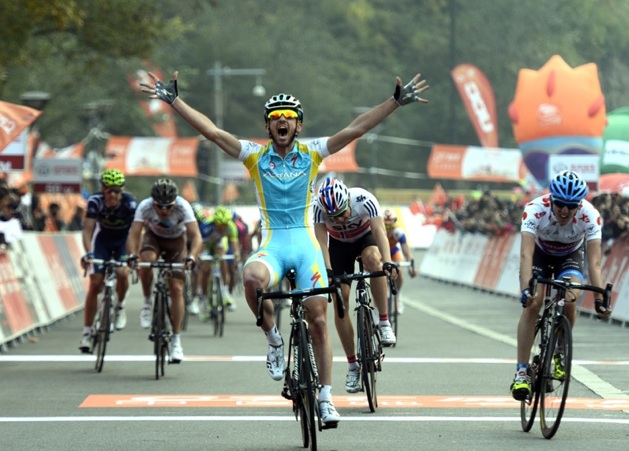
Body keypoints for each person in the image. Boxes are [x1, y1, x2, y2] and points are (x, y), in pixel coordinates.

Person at [141, 69, 428, 426]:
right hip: (273, 245)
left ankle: (326, 398)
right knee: (250, 278)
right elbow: (212, 132)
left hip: (306, 246)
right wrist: (174, 101)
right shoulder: (254, 155)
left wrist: (394, 103)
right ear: (267, 126)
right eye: (275, 117)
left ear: (298, 125)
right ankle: (274, 339)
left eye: (289, 117)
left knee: (318, 320)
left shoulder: (312, 153)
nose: (282, 121)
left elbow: (355, 129)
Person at [511, 170, 612, 401]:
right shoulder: (535, 209)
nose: (565, 211)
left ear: (579, 204)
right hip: (539, 256)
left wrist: (600, 301)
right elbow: (526, 255)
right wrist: (525, 290)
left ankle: (559, 352)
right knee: (533, 303)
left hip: (570, 257)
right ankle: (521, 372)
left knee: (570, 297)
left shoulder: (590, 215)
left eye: (571, 205)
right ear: (551, 199)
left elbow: (595, 264)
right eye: (560, 204)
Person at [313, 177, 398, 394]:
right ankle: (352, 366)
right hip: (339, 246)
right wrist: (328, 271)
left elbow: (379, 232)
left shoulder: (364, 199)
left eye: (342, 213)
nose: (340, 220)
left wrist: (388, 262)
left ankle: (384, 321)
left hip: (364, 238)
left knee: (374, 261)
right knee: (340, 299)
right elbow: (321, 243)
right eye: (333, 217)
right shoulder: (318, 209)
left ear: (348, 201)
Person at [126, 178, 203, 363]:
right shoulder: (145, 206)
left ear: (174, 203)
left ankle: (176, 340)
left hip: (176, 243)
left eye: (168, 206)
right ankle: (147, 302)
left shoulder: (183, 206)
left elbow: (196, 237)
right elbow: (134, 234)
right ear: (153, 203)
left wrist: (192, 257)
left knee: (176, 288)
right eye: (159, 206)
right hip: (153, 239)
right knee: (146, 260)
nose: (164, 210)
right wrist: (132, 255)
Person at [79, 169, 138, 353]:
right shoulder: (95, 201)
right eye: (109, 190)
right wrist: (89, 253)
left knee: (122, 273)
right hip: (102, 241)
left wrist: (133, 254)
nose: (113, 195)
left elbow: (136, 232)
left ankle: (119, 306)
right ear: (102, 189)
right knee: (95, 283)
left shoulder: (130, 203)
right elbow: (88, 230)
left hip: (123, 242)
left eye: (117, 191)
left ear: (122, 191)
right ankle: (86, 332)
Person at [196, 204, 240, 318]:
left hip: (219, 243)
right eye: (220, 225)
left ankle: (224, 291)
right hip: (206, 245)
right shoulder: (206, 225)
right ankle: (203, 297)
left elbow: (234, 244)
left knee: (222, 258)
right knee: (205, 269)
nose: (222, 228)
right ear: (215, 221)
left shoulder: (231, 226)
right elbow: (200, 244)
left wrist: (237, 255)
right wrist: (199, 257)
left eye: (224, 225)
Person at [383, 208, 417, 314]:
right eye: (386, 226)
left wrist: (411, 265)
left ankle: (397, 295)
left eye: (390, 226)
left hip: (393, 252)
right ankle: (379, 300)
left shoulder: (398, 232)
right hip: (381, 253)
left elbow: (406, 251)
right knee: (380, 274)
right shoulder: (377, 230)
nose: (388, 229)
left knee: (399, 271)